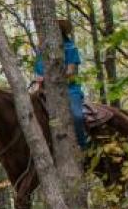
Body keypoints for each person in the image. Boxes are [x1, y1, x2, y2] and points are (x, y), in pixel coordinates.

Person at [34, 17, 89, 147]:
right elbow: (37, 73)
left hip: (70, 90)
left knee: (77, 116)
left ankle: (82, 147)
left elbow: (70, 72)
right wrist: (39, 80)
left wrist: (51, 78)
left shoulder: (70, 48)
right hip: (44, 91)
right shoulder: (42, 52)